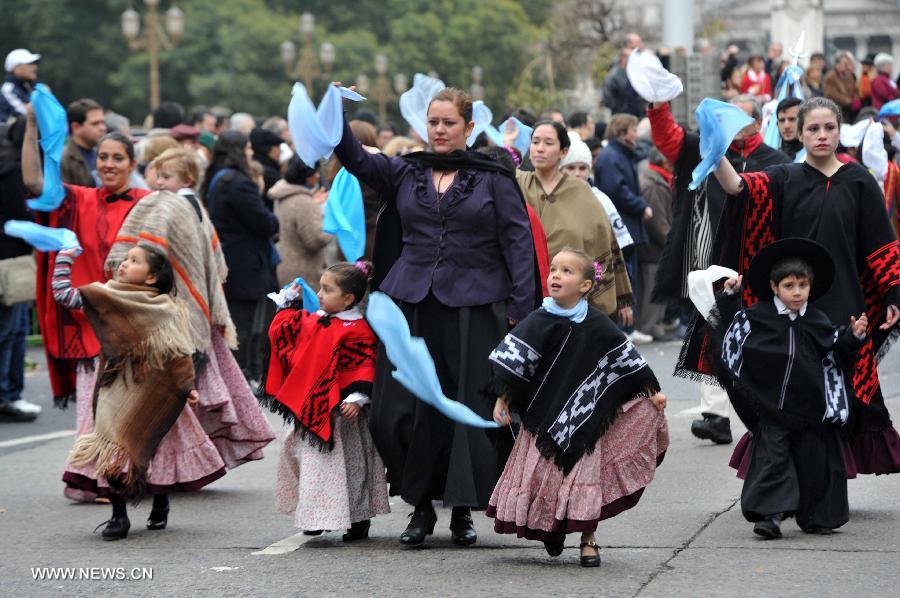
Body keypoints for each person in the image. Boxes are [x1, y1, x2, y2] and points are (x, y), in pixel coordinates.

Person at [333, 85, 538, 547]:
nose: (440, 130)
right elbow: (356, 158)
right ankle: (419, 504)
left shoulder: (492, 175)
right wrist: (333, 112)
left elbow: (519, 244)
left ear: (469, 127)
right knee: (397, 412)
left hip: (473, 307)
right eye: (433, 122)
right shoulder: (406, 170)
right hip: (409, 305)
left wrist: (522, 316)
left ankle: (460, 511)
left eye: (449, 123)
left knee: (464, 410)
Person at [709, 96, 900, 477]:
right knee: (792, 389)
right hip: (792, 305)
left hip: (845, 300)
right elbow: (735, 187)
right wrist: (713, 148)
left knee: (844, 386)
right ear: (798, 132)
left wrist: (894, 292)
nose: (822, 135)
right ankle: (787, 472)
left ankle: (828, 472)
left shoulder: (859, 179)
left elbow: (881, 241)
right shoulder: (784, 176)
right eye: (812, 128)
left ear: (840, 130)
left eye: (829, 127)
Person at [486, 248, 668, 566]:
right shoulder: (538, 320)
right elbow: (515, 367)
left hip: (585, 422)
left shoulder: (597, 324)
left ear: (585, 285)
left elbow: (628, 362)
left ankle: (588, 539)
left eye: (567, 271)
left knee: (584, 481)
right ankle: (552, 530)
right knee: (546, 478)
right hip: (542, 423)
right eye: (554, 269)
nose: (556, 275)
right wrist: (503, 398)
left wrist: (652, 394)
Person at [109, 148, 275, 468]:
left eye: (166, 177)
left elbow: (152, 251)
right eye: (156, 175)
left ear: (187, 178)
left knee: (173, 395)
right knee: (191, 392)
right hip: (192, 309)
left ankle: (180, 463)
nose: (158, 183)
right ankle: (193, 460)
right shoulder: (192, 204)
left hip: (176, 310)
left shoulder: (173, 207)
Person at [647, 94, 790, 445]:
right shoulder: (702, 147)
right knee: (713, 331)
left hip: (761, 261)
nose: (727, 125)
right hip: (712, 257)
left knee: (763, 336)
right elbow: (668, 139)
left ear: (758, 124)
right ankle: (715, 415)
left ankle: (773, 405)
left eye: (737, 118)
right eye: (723, 117)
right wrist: (657, 105)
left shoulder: (776, 161)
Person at [55, 244, 225, 539]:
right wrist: (64, 258)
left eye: (134, 261)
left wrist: (188, 386)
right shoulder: (107, 294)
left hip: (161, 388)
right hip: (117, 386)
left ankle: (160, 500)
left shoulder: (168, 308)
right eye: (126, 258)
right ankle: (118, 515)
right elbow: (64, 295)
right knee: (114, 448)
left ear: (151, 278)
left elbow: (181, 351)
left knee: (158, 446)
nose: (124, 263)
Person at [709, 239, 867, 538]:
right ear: (774, 287)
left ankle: (819, 517)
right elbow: (728, 334)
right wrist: (730, 297)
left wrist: (852, 338)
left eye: (803, 285)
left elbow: (835, 356)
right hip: (772, 408)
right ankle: (771, 516)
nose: (797, 292)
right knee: (773, 461)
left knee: (816, 465)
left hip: (811, 410)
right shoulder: (759, 317)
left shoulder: (818, 320)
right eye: (789, 285)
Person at [22, 105, 152, 435]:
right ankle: (92, 474)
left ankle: (135, 476)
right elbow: (34, 181)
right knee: (94, 415)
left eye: (117, 158)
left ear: (132, 164)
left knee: (138, 413)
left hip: (136, 324)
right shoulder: (79, 199)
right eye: (103, 157)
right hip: (89, 324)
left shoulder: (149, 202)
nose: (109, 165)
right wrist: (30, 125)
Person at [261, 261, 389, 540]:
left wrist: (358, 396)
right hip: (312, 411)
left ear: (348, 299)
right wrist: (288, 305)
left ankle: (358, 517)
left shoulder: (358, 329)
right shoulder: (316, 320)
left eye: (327, 289)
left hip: (344, 415)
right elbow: (285, 335)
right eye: (320, 287)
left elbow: (365, 364)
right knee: (310, 465)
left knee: (351, 468)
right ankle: (317, 515)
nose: (319, 293)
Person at [520, 122, 633, 326]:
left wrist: (617, 297)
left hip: (575, 302)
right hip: (528, 294)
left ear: (563, 151)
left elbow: (604, 242)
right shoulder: (517, 185)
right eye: (535, 142)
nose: (540, 148)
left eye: (548, 142)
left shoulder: (582, 192)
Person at [201, 131, 279, 385]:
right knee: (242, 327)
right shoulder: (237, 182)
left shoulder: (217, 178)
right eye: (246, 148)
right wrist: (272, 218)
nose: (250, 153)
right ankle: (237, 382)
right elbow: (265, 221)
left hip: (230, 258)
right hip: (244, 263)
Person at [595, 114, 651, 341]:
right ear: (621, 131)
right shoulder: (611, 157)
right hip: (621, 224)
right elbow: (616, 190)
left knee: (631, 275)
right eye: (633, 129)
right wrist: (641, 206)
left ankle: (628, 327)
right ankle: (623, 328)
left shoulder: (620, 154)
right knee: (624, 274)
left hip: (627, 223)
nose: (636, 134)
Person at [0, 116, 40, 422]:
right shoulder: (13, 170)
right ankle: (8, 394)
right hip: (12, 260)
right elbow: (20, 215)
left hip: (8, 257)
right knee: (12, 329)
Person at [269, 157, 331, 289]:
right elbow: (315, 240)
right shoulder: (303, 202)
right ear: (307, 177)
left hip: (285, 264)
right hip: (304, 273)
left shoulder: (284, 193)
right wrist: (331, 224)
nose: (318, 176)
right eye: (315, 173)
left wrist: (312, 203)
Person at [636, 148, 674, 340]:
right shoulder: (653, 185)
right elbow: (657, 222)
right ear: (664, 162)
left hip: (655, 248)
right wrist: (673, 244)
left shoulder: (655, 180)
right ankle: (650, 327)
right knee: (652, 289)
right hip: (653, 249)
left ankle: (654, 326)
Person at [60, 99, 108, 188]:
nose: (103, 128)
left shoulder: (103, 154)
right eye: (95, 124)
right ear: (76, 127)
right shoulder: (64, 160)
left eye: (103, 122)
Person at [603, 48, 646, 118]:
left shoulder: (634, 73)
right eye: (631, 57)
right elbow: (607, 98)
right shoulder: (613, 76)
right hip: (621, 117)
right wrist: (620, 109)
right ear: (623, 58)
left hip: (637, 115)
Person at [0, 49, 39, 123]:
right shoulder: (8, 89)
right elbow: (25, 113)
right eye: (29, 63)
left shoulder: (31, 88)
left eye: (34, 63)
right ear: (15, 68)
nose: (34, 67)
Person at [824, 52, 860, 123]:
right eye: (845, 64)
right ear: (837, 64)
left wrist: (856, 99)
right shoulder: (831, 76)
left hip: (849, 111)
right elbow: (830, 93)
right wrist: (848, 101)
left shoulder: (849, 76)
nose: (847, 66)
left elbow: (855, 90)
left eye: (848, 64)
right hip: (835, 109)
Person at [250, 127, 284, 195]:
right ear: (268, 149)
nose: (281, 150)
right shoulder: (269, 174)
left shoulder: (254, 167)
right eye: (278, 146)